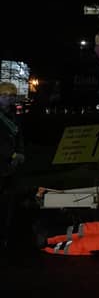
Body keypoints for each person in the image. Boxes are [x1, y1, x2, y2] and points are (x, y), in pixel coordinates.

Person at [0, 82, 25, 252]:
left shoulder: (14, 116)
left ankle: (6, 237)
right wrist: (11, 154)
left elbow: (19, 136)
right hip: (2, 164)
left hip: (11, 167)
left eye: (11, 96)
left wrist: (20, 153)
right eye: (4, 95)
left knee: (9, 203)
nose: (8, 99)